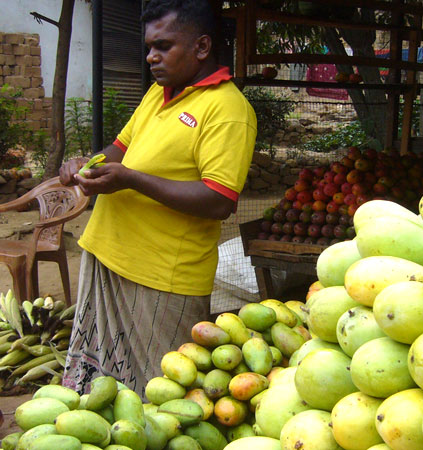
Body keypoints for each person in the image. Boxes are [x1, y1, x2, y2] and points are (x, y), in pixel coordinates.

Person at [60, 0, 257, 397]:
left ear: (201, 47)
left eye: (163, 46)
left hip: (164, 278)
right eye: (149, 46)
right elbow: (118, 150)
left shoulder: (228, 110)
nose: (151, 56)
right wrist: (87, 163)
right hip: (108, 255)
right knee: (101, 397)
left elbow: (219, 199)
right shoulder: (158, 93)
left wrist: (132, 180)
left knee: (161, 398)